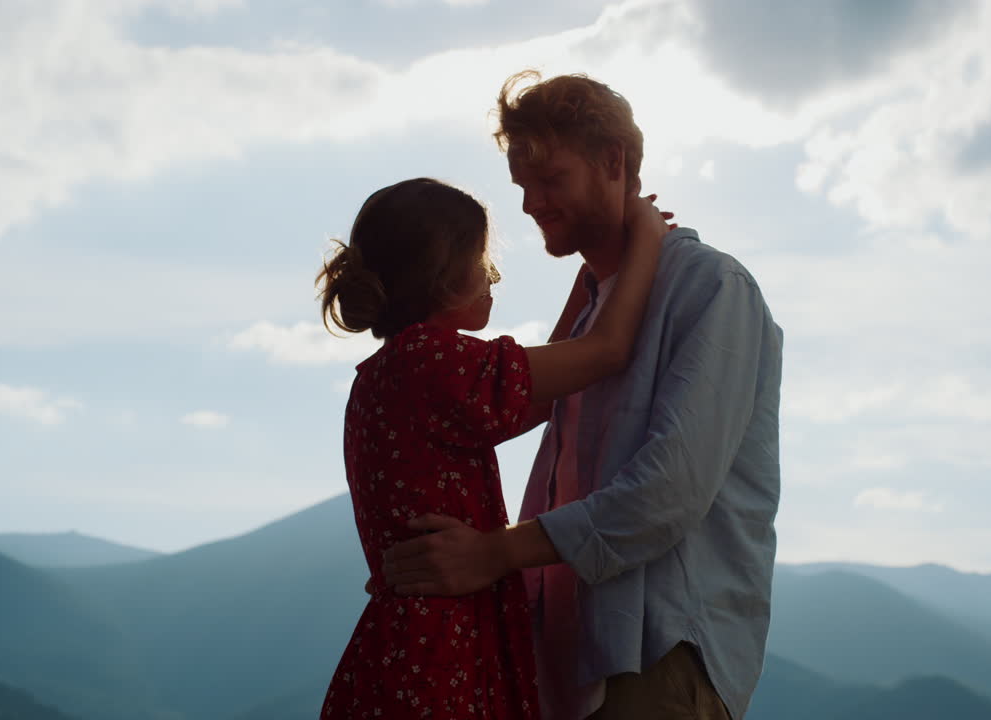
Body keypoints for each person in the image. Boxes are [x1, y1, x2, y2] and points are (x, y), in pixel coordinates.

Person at [380, 73, 784, 720]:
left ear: (613, 163)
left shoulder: (711, 288)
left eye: (551, 180)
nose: (531, 204)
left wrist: (493, 553)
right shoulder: (599, 306)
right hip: (567, 671)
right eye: (522, 187)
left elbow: (669, 491)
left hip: (656, 660)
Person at [317, 176, 672, 719]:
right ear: (444, 276)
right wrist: (645, 238)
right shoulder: (437, 362)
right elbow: (606, 351)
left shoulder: (392, 374)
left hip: (412, 650)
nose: (493, 278)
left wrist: (590, 279)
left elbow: (540, 398)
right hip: (442, 657)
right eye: (484, 263)